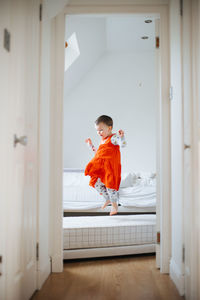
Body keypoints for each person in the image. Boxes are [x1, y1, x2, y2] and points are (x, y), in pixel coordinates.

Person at [84, 115, 127, 216]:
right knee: (95, 183)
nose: (99, 133)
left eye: (101, 130)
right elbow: (98, 153)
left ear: (109, 128)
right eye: (97, 131)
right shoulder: (103, 140)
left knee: (110, 185)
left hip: (111, 167)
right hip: (102, 167)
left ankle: (115, 206)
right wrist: (91, 145)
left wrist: (122, 137)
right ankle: (107, 198)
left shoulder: (114, 138)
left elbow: (123, 145)